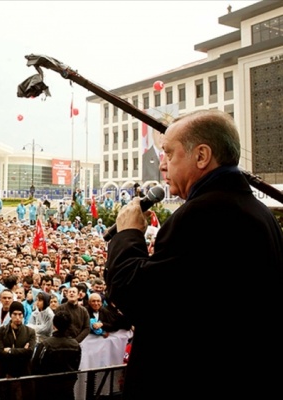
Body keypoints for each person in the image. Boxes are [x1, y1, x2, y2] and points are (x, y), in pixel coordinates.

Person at [105, 110, 283, 399]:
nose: (162, 166)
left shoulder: (204, 214)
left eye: (169, 154)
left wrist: (128, 235)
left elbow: (136, 295)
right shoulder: (258, 212)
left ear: (201, 156)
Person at [30, 310, 81, 400]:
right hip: (67, 387)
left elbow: (35, 365)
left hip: (47, 388)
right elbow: (76, 365)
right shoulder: (75, 345)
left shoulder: (46, 344)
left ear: (54, 326)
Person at [0, 301, 36, 400]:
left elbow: (29, 352)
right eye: (15, 314)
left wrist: (10, 351)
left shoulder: (30, 332)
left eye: (20, 314)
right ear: (10, 315)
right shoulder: (2, 331)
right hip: (6, 373)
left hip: (23, 374)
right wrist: (22, 351)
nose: (17, 317)